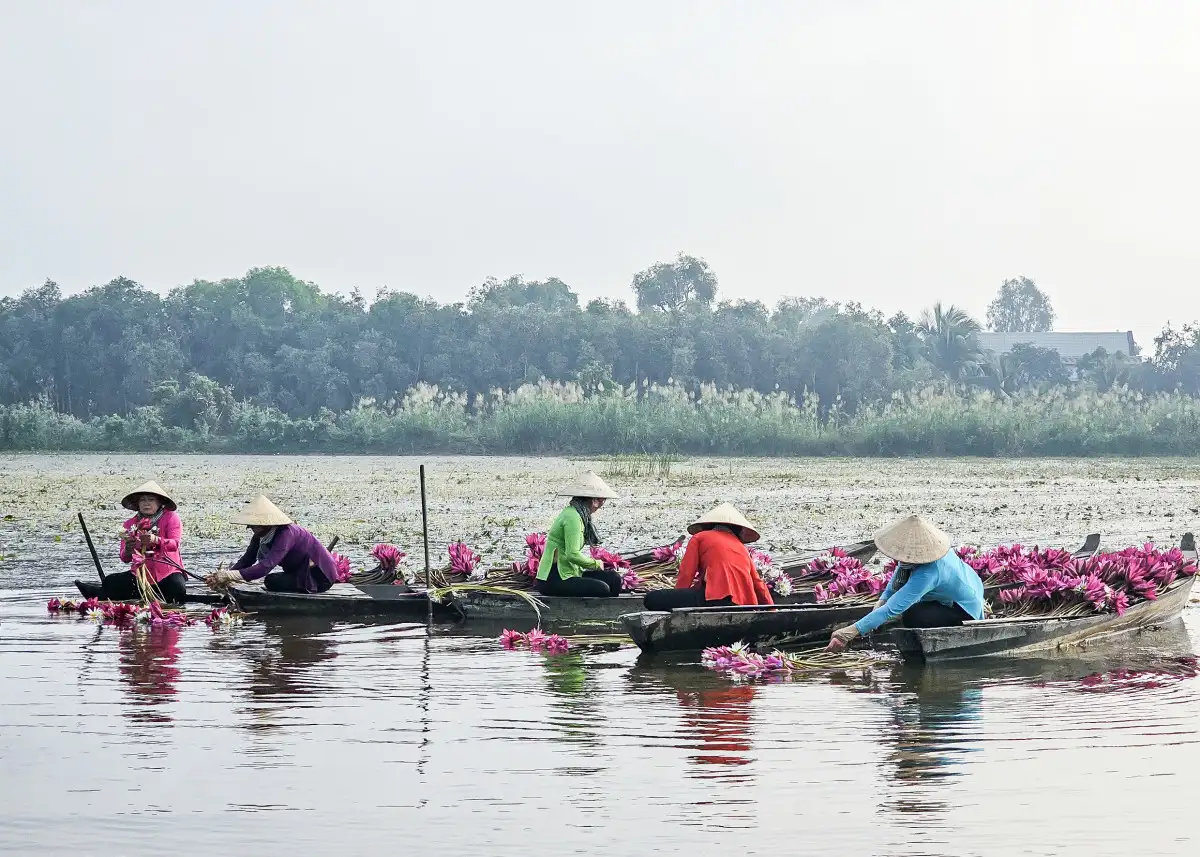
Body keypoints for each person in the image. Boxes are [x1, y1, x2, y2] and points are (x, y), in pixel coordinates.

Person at [826, 515, 984, 652]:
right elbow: (895, 582)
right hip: (961, 591)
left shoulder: (928, 573)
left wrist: (847, 633)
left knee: (913, 615)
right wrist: (881, 601)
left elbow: (890, 610)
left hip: (965, 608)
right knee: (905, 608)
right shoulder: (910, 561)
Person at [643, 503, 773, 611]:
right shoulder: (741, 547)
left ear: (709, 525)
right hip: (743, 605)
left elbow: (687, 573)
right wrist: (772, 609)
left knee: (652, 598)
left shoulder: (700, 537)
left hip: (716, 599)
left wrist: (678, 602)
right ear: (737, 530)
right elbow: (758, 584)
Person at [75, 481, 186, 603]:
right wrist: (128, 549)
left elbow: (174, 545)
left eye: (151, 499)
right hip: (140, 576)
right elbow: (124, 558)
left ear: (160, 502)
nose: (146, 503)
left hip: (167, 574)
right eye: (143, 500)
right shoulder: (130, 524)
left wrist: (155, 540)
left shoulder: (171, 517)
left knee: (176, 588)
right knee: (110, 581)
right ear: (137, 503)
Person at [205, 495, 338, 594]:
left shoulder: (286, 534)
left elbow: (265, 567)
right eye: (251, 527)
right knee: (273, 580)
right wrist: (224, 576)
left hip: (319, 576)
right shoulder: (260, 536)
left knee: (271, 581)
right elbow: (248, 559)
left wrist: (229, 576)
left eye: (255, 527)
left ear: (267, 524)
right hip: (299, 572)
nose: (253, 530)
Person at [535, 471, 624, 598]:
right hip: (554, 578)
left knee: (614, 579)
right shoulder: (573, 517)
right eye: (602, 500)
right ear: (594, 501)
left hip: (572, 572)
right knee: (602, 588)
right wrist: (596, 564)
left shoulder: (580, 515)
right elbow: (572, 555)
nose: (601, 505)